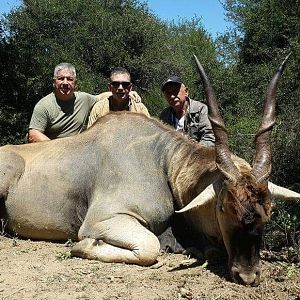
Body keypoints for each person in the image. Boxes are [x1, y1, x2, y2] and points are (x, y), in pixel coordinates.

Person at [28, 62, 97, 142]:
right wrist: (58, 151)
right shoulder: (43, 106)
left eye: (69, 79)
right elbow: (33, 134)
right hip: (51, 152)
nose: (65, 83)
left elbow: (103, 98)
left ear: (75, 83)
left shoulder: (84, 99)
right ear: (54, 82)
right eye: (61, 79)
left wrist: (114, 88)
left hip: (78, 151)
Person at [160, 75, 215, 146]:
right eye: (168, 93)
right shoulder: (164, 115)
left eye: (175, 91)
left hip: (196, 155)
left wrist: (191, 152)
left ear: (186, 92)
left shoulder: (201, 109)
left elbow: (209, 138)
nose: (172, 96)